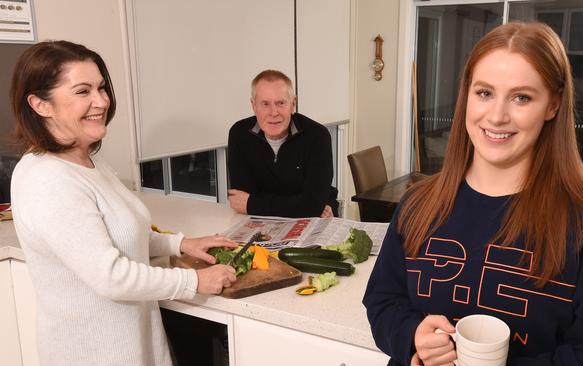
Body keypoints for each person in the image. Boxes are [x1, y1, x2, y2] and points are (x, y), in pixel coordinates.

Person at [363, 22, 583, 366]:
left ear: (552, 105)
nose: (496, 116)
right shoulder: (418, 203)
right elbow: (382, 300)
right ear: (466, 95)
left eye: (522, 97)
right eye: (484, 93)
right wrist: (412, 336)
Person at [10, 40, 238, 366]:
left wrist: (180, 244)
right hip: (95, 354)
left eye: (101, 88)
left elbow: (119, 233)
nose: (101, 101)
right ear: (40, 104)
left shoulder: (86, 159)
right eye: (82, 91)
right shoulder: (47, 179)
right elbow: (111, 275)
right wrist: (195, 280)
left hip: (133, 342)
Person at [227, 69, 338, 218]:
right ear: (253, 106)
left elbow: (311, 206)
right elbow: (240, 200)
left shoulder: (318, 136)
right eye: (265, 104)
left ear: (293, 104)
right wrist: (302, 204)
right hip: (258, 223)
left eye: (280, 103)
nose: (273, 113)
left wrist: (253, 204)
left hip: (315, 222)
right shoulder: (239, 134)